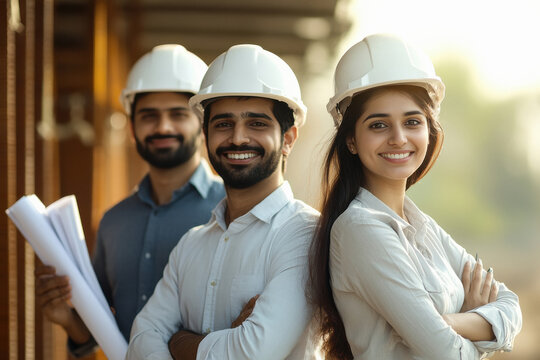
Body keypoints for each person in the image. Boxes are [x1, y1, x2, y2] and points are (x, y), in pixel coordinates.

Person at [309, 33, 522, 359]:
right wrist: (478, 323)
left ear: (428, 130)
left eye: (412, 121)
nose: (399, 138)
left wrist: (451, 321)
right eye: (378, 125)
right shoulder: (360, 229)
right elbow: (448, 355)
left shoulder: (423, 226)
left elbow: (511, 306)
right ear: (351, 140)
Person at [126, 44, 319, 360]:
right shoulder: (191, 244)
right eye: (223, 124)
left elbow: (252, 354)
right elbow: (141, 340)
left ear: (288, 138)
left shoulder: (306, 234)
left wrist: (179, 342)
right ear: (205, 134)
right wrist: (222, 342)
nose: (238, 138)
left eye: (256, 123)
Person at [35, 44, 225, 356]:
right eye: (149, 116)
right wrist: (65, 317)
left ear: (203, 125)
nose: (163, 127)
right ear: (133, 127)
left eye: (178, 114)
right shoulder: (114, 222)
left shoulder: (229, 209)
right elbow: (94, 330)